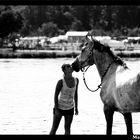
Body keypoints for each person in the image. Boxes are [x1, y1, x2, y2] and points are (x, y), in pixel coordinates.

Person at [49, 63, 79, 135]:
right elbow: (56, 95)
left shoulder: (76, 80)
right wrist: (56, 109)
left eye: (70, 66)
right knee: (54, 129)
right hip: (59, 108)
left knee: (67, 128)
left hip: (70, 108)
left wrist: (76, 107)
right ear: (64, 71)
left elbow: (76, 94)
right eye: (68, 66)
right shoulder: (60, 82)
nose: (71, 67)